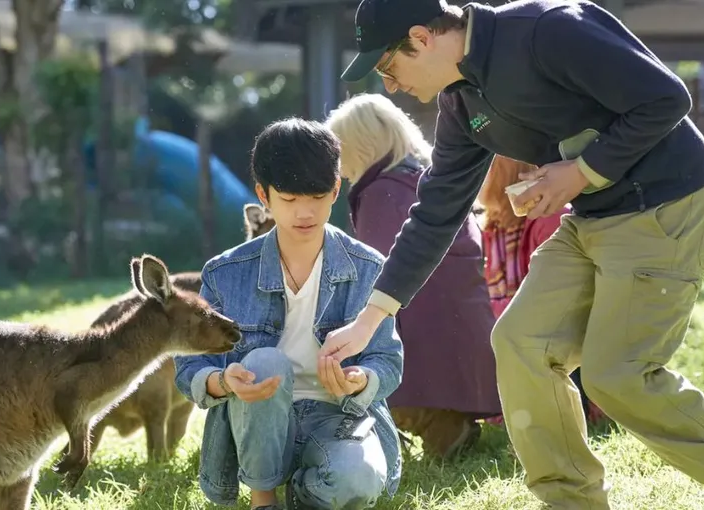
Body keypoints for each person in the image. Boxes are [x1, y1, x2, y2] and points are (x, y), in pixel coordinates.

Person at [320, 0, 704, 508]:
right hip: (591, 221)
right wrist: (370, 319)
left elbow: (666, 98)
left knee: (617, 374)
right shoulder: (460, 102)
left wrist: (581, 172)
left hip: (667, 205)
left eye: (388, 67)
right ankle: (571, 501)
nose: (390, 86)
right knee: (521, 342)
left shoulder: (548, 29)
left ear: (422, 38)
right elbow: (434, 214)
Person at [174, 118, 404, 510]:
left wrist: (361, 379)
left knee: (358, 483)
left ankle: (304, 491)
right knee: (264, 362)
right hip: (258, 422)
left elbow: (388, 361)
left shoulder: (368, 267)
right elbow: (189, 367)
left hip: (337, 417)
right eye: (289, 199)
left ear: (336, 190)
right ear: (263, 195)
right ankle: (263, 499)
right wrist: (224, 381)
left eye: (316, 196)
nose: (305, 212)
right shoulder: (225, 272)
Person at [324, 93, 502, 459]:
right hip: (464, 333)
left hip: (423, 335)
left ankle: (438, 425)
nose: (338, 166)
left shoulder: (381, 192)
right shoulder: (426, 181)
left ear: (359, 146)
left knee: (350, 367)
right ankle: (448, 422)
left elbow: (372, 272)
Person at [477, 154, 609, 427]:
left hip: (564, 333)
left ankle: (571, 413)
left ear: (504, 174)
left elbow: (561, 299)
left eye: (483, 169)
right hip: (524, 333)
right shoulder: (494, 225)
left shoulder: (549, 218)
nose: (475, 178)